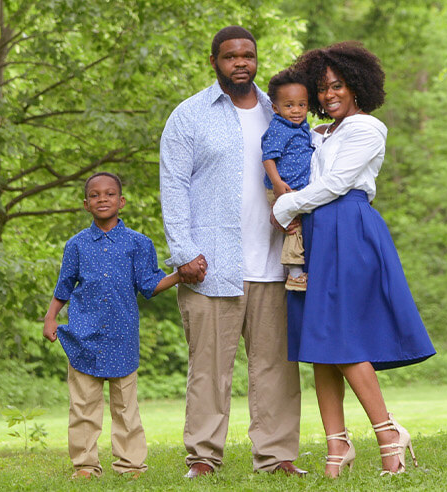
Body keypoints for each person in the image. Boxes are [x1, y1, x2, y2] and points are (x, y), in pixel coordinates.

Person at [273, 41, 437, 478]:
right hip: (316, 234)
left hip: (346, 227)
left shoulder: (366, 128)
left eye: (338, 86)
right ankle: (336, 446)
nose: (329, 96)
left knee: (341, 336)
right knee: (319, 344)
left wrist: (285, 208)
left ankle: (388, 434)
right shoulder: (321, 132)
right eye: (322, 89)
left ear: (357, 85)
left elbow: (337, 183)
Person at [157, 25, 306, 477]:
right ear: (214, 61)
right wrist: (183, 252)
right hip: (210, 266)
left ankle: (277, 457)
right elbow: (174, 185)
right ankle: (202, 459)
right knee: (208, 371)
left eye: (248, 55)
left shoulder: (277, 110)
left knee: (277, 369)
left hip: (274, 263)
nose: (241, 62)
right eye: (230, 56)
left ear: (256, 60)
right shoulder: (189, 116)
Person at [42, 172, 185, 480]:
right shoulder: (77, 245)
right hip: (84, 337)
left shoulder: (139, 244)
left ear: (121, 201)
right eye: (95, 195)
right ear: (85, 204)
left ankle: (131, 465)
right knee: (83, 407)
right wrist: (51, 317)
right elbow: (64, 286)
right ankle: (85, 465)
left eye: (109, 194)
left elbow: (149, 284)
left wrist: (180, 275)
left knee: (125, 408)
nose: (102, 199)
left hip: (122, 337)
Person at [261, 69, 317, 292]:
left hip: (296, 188)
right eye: (289, 105)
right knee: (295, 229)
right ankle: (295, 275)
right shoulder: (278, 128)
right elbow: (268, 157)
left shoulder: (302, 127)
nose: (296, 111)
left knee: (302, 227)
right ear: (275, 108)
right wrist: (277, 184)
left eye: (301, 105)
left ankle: (301, 270)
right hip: (283, 188)